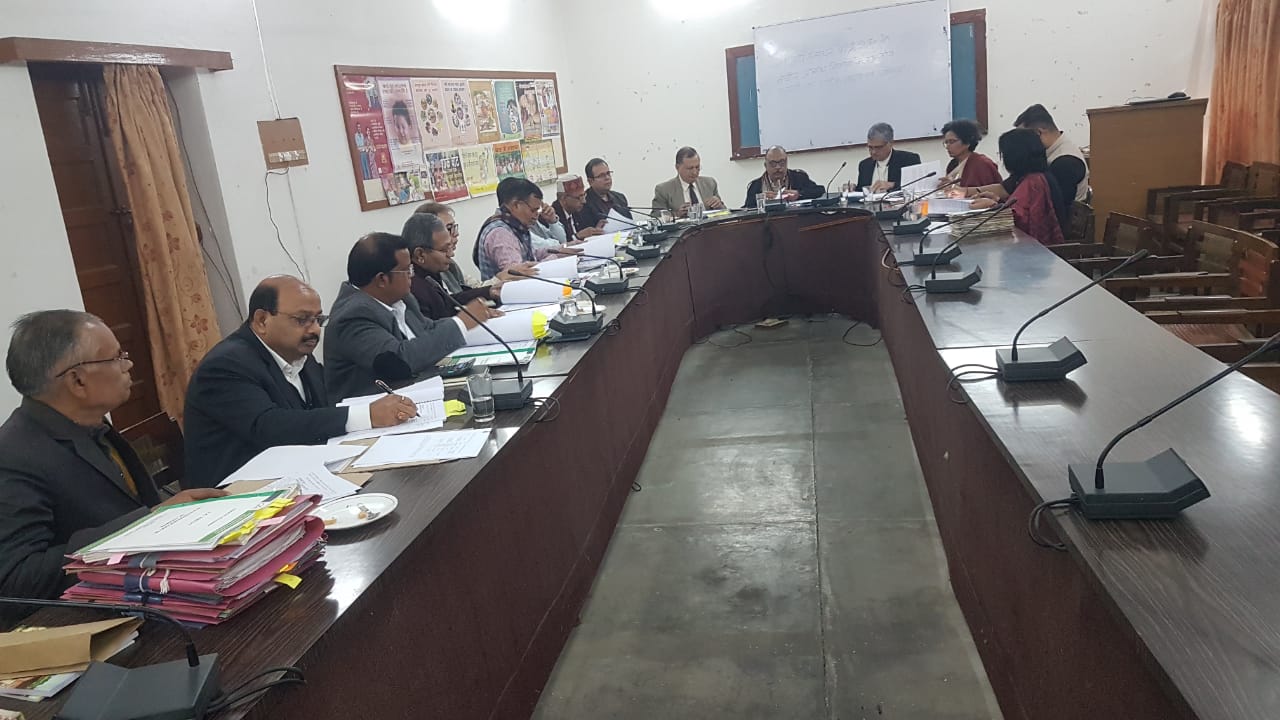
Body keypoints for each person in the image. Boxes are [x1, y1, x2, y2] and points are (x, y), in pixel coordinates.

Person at [0, 310, 226, 601]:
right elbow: (17, 579)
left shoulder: (90, 423)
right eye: (117, 357)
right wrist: (148, 524)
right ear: (77, 381)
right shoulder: (13, 456)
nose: (128, 365)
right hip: (95, 612)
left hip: (150, 582)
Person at [182, 276, 419, 489]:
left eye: (318, 319)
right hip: (236, 495)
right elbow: (269, 427)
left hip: (300, 476)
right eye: (302, 319)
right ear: (262, 320)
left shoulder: (298, 354)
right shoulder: (225, 365)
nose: (314, 330)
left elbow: (317, 413)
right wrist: (366, 415)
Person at [325, 232, 500, 400]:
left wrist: (470, 320)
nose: (412, 275)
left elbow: (427, 327)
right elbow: (400, 360)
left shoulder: (401, 298)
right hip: (377, 408)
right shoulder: (353, 316)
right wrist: (460, 324)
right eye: (406, 270)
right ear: (382, 279)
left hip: (416, 392)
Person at [969, 128, 1066, 245]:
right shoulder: (1034, 176)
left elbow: (1019, 219)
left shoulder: (1034, 182)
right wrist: (997, 200)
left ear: (1014, 156)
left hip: (1041, 249)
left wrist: (992, 205)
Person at [412, 202, 534, 293]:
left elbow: (473, 288)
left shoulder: (451, 265)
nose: (456, 234)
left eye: (454, 227)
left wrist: (501, 277)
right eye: (448, 228)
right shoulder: (420, 276)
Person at [474, 177, 580, 281]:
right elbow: (520, 275)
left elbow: (533, 254)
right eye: (533, 210)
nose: (536, 215)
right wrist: (556, 258)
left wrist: (561, 250)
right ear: (516, 205)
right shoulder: (500, 234)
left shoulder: (515, 224)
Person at [405, 213, 503, 320]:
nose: (451, 254)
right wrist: (464, 320)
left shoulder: (429, 272)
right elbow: (435, 324)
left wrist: (489, 292)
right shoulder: (411, 286)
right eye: (444, 250)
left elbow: (448, 302)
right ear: (420, 254)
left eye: (450, 247)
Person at [1013, 103, 1090, 208]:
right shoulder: (1048, 152)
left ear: (1038, 132)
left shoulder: (1065, 162)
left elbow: (1054, 208)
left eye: (1024, 138)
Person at [742, 146, 826, 207]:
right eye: (773, 164)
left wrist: (799, 194)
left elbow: (820, 191)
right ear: (765, 165)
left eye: (782, 163)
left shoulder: (799, 177)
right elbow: (747, 208)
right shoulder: (755, 186)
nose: (778, 167)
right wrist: (761, 199)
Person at [652, 147, 724, 217]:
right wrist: (677, 214)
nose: (694, 172)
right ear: (677, 167)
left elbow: (725, 212)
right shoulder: (663, 190)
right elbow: (656, 216)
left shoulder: (710, 183)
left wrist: (719, 206)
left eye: (697, 167)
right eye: (690, 168)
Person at [855, 123, 922, 192]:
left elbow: (917, 186)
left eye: (878, 147)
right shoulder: (864, 165)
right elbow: (861, 192)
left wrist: (892, 185)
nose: (873, 152)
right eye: (870, 147)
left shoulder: (909, 160)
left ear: (890, 143)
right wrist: (853, 189)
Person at [940, 119, 1002, 188]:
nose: (947, 146)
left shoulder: (982, 164)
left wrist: (955, 187)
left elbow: (992, 190)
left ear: (967, 142)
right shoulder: (952, 164)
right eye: (946, 142)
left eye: (952, 141)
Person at [578, 158, 632, 229]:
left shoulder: (620, 198)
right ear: (590, 181)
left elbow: (631, 225)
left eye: (608, 173)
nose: (607, 178)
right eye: (601, 175)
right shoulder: (584, 204)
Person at [553, 174, 604, 241]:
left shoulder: (581, 209)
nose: (584, 201)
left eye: (584, 195)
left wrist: (595, 230)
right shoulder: (553, 218)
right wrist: (577, 236)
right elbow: (559, 243)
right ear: (563, 198)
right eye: (579, 197)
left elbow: (587, 232)